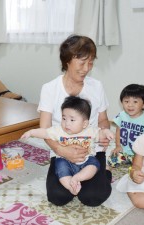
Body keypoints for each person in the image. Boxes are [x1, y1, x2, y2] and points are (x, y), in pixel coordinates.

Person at [38, 34, 112, 207]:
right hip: (62, 150)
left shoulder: (96, 86)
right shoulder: (50, 89)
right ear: (67, 61)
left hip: (92, 150)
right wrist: (61, 150)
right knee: (58, 197)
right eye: (82, 62)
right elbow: (45, 128)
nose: (86, 68)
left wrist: (102, 133)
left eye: (91, 62)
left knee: (92, 198)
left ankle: (105, 171)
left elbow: (103, 120)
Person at [21, 96, 114, 195]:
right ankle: (70, 186)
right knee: (60, 167)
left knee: (94, 165)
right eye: (64, 118)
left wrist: (107, 132)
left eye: (72, 120)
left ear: (84, 123)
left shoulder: (90, 130)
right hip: (65, 160)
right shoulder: (58, 130)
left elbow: (101, 133)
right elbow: (45, 132)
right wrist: (31, 132)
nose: (66, 123)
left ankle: (77, 178)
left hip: (86, 159)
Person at [108, 84, 144, 168]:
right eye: (126, 101)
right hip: (124, 151)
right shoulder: (122, 115)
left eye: (135, 102)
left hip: (139, 154)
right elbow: (118, 130)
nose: (130, 105)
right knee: (111, 161)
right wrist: (118, 146)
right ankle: (127, 163)